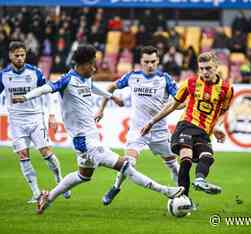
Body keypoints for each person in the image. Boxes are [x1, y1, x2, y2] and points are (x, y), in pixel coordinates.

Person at [14, 44, 184, 214]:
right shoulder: (67, 80)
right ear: (84, 65)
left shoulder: (86, 78)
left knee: (83, 175)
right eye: (92, 64)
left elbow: (92, 87)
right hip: (84, 141)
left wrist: (111, 97)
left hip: (91, 136)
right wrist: (26, 97)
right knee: (125, 165)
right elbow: (47, 88)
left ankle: (48, 197)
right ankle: (165, 190)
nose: (94, 68)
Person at [95, 46, 180, 205]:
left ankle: (182, 195)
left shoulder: (165, 79)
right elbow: (110, 88)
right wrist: (101, 109)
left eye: (153, 61)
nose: (150, 65)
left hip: (159, 131)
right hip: (138, 130)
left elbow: (180, 102)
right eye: (146, 62)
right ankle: (115, 187)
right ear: (140, 62)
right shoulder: (132, 77)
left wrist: (176, 105)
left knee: (175, 167)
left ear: (158, 61)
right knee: (128, 163)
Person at [141, 51, 234, 197]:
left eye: (208, 68)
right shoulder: (190, 83)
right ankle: (183, 198)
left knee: (207, 156)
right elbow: (172, 105)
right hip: (187, 125)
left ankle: (200, 180)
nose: (204, 72)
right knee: (186, 159)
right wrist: (151, 122)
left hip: (204, 131)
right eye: (201, 68)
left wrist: (217, 126)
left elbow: (224, 111)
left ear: (216, 67)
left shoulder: (227, 89)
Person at [0, 41, 70, 203]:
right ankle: (36, 193)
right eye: (16, 55)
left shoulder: (35, 73)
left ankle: (60, 182)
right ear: (10, 55)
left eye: (22, 55)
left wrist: (52, 115)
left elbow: (48, 93)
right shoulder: (4, 75)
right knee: (23, 156)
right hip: (16, 121)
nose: (19, 58)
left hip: (35, 118)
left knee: (46, 154)